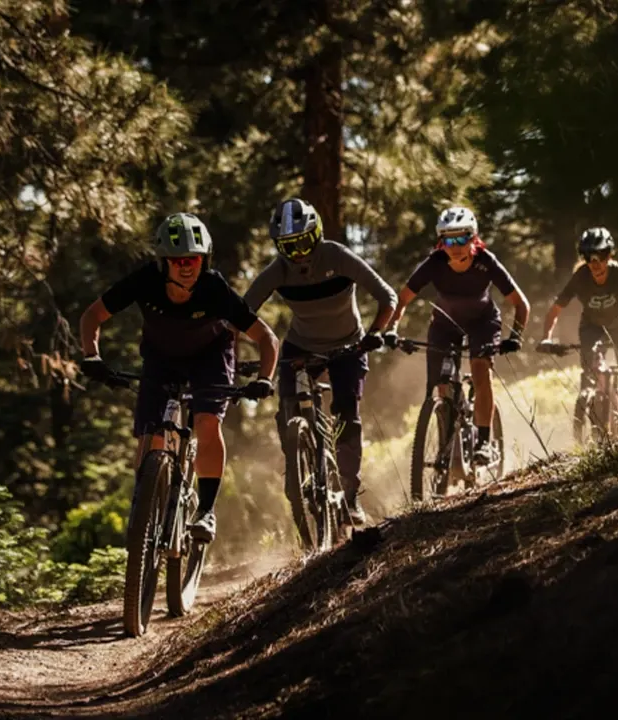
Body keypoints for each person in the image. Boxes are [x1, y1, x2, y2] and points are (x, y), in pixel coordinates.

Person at [77, 213, 280, 543]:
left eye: (194, 259)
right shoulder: (145, 281)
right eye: (179, 260)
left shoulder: (214, 288)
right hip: (160, 358)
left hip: (210, 358)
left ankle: (205, 512)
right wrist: (92, 356)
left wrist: (265, 378)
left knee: (206, 422)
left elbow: (267, 338)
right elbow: (92, 316)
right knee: (150, 435)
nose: (187, 266)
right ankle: (148, 507)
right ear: (163, 263)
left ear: (204, 260)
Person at [243, 199, 397, 526]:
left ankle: (351, 499)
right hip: (300, 347)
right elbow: (241, 314)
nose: (298, 253)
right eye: (289, 246)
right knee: (287, 408)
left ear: (317, 234)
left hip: (349, 346)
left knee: (347, 415)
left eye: (303, 242)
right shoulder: (278, 271)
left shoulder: (337, 256)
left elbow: (389, 298)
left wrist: (375, 334)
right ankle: (297, 466)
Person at [389, 206, 531, 467]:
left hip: (483, 322)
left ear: (473, 238)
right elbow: (402, 299)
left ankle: (484, 442)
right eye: (448, 239)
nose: (455, 246)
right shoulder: (434, 264)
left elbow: (521, 304)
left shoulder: (486, 262)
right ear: (441, 242)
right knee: (440, 384)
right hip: (445, 324)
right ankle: (447, 441)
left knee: (480, 370)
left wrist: (515, 336)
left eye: (462, 238)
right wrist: (391, 329)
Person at [537, 227, 618, 424]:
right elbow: (556, 309)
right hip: (593, 326)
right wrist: (546, 337)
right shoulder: (580, 278)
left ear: (610, 255)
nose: (595, 264)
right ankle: (597, 401)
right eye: (588, 257)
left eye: (601, 256)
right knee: (591, 370)